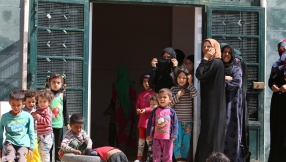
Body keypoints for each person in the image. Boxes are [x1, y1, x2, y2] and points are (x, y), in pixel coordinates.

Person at [195, 38, 226, 162]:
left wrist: (206, 58)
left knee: (211, 134)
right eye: (204, 47)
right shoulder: (212, 63)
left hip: (214, 105)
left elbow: (199, 74)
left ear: (215, 48)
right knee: (207, 133)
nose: (206, 49)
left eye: (209, 46)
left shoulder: (216, 63)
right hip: (209, 104)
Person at [221, 44, 243, 162]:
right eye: (225, 52)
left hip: (232, 104)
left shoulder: (236, 69)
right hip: (219, 103)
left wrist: (222, 82)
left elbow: (237, 83)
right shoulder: (218, 68)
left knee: (232, 129)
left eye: (229, 52)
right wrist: (226, 78)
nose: (227, 54)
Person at [170, 67, 197, 161]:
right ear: (176, 78)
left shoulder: (189, 88)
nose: (181, 80)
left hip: (188, 121)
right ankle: (178, 159)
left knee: (186, 142)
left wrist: (190, 83)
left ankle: (183, 159)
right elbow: (170, 104)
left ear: (188, 78)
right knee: (177, 141)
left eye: (184, 78)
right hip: (176, 121)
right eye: (179, 77)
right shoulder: (173, 89)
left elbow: (195, 94)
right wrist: (178, 95)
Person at [0, 90, 35, 162]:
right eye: (13, 105)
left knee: (21, 157)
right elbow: (0, 132)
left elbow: (31, 132)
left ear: (23, 104)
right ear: (9, 103)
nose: (16, 107)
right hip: (10, 142)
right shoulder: (5, 117)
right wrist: (0, 147)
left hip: (23, 144)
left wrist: (31, 148)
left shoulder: (28, 116)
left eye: (18, 105)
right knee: (10, 156)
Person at [146, 88, 178, 162]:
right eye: (160, 97)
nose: (162, 99)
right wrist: (148, 134)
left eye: (164, 97)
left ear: (170, 99)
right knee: (156, 157)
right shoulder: (155, 111)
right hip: (156, 138)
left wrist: (174, 135)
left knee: (167, 157)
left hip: (168, 138)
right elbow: (150, 123)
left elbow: (175, 124)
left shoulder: (172, 112)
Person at [111, 65, 137, 156]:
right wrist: (135, 112)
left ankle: (120, 153)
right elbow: (133, 99)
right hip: (129, 112)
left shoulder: (115, 84)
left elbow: (113, 99)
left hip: (118, 112)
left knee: (120, 133)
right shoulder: (131, 84)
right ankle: (129, 154)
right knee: (129, 132)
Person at [268, 39, 286, 161]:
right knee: (277, 131)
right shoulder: (276, 65)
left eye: (284, 48)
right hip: (278, 103)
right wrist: (272, 86)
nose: (282, 50)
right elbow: (271, 80)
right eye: (280, 48)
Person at [45, 73, 70, 162]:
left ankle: (58, 160)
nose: (56, 84)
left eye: (58, 83)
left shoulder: (62, 96)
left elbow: (65, 110)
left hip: (58, 125)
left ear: (61, 84)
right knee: (49, 144)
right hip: (48, 125)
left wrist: (67, 123)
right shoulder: (46, 96)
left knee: (58, 145)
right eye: (53, 82)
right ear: (49, 83)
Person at [135, 73, 156, 161]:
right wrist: (138, 110)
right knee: (141, 141)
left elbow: (155, 106)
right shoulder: (140, 95)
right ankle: (139, 158)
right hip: (142, 121)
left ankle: (150, 158)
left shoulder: (154, 93)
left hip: (150, 122)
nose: (146, 83)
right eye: (144, 81)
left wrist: (146, 110)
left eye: (148, 81)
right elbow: (137, 105)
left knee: (149, 141)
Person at [30, 89, 54, 162]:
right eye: (40, 101)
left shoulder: (48, 111)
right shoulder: (38, 110)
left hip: (47, 135)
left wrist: (38, 117)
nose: (42, 103)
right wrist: (32, 115)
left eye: (44, 101)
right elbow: (34, 116)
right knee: (40, 151)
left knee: (45, 152)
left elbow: (47, 122)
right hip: (40, 134)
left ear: (49, 102)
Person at [23, 89, 41, 162]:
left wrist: (38, 117)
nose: (31, 104)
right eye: (29, 102)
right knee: (27, 153)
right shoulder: (23, 112)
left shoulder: (37, 111)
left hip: (34, 135)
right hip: (25, 136)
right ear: (24, 102)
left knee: (35, 150)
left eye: (33, 102)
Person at [146, 94, 158, 162]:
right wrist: (148, 134)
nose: (152, 106)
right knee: (150, 149)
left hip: (158, 136)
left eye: (154, 104)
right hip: (152, 136)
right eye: (151, 104)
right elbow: (149, 124)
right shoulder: (151, 114)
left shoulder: (160, 113)